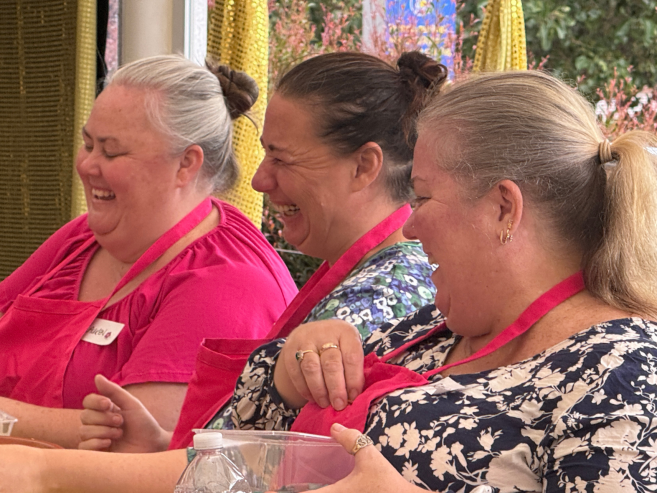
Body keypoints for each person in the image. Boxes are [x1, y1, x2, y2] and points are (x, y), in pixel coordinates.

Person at [0, 51, 442, 493]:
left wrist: (38, 472)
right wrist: (156, 442)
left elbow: (256, 471)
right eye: (89, 144)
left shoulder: (376, 298)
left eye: (281, 159)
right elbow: (247, 448)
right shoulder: (358, 279)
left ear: (364, 166)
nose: (258, 180)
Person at [227, 70, 657, 492]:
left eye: (423, 197)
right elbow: (245, 458)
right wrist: (293, 371)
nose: (409, 227)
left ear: (503, 208)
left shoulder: (623, 373)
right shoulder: (427, 331)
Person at [0, 55, 297, 449]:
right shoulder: (80, 237)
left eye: (111, 152)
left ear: (186, 164)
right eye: (87, 144)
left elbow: (129, 447)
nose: (87, 165)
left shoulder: (228, 282)